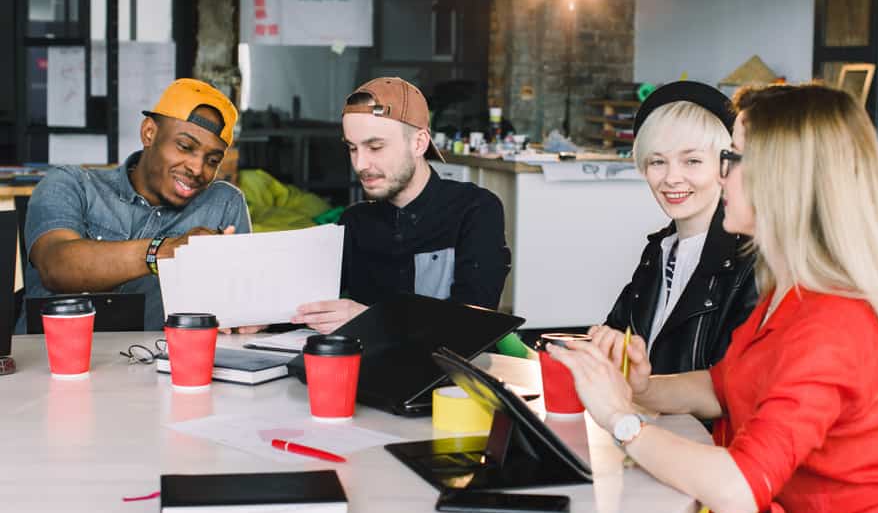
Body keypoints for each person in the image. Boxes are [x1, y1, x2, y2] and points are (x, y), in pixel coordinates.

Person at [551, 84, 878, 513]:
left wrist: (623, 418)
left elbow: (740, 488)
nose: (722, 175)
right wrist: (643, 387)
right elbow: (722, 385)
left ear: (780, 180)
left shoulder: (830, 321)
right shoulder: (787, 294)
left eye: (732, 159)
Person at [18, 78, 252, 332]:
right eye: (185, 147)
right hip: (52, 364)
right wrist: (164, 251)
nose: (197, 169)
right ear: (149, 133)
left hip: (159, 365)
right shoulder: (71, 184)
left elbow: (239, 302)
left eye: (212, 160)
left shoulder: (224, 204)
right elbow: (56, 266)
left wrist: (250, 316)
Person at [293, 77, 510, 333]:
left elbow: (473, 326)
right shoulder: (355, 222)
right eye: (353, 148)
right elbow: (310, 302)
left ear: (419, 143)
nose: (360, 164)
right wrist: (264, 317)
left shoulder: (475, 210)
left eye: (375, 147)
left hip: (449, 371)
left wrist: (371, 319)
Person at [604, 81, 756, 375]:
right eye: (658, 161)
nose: (672, 178)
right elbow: (617, 337)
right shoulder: (658, 250)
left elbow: (730, 390)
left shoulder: (750, 263)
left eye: (692, 161)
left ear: (726, 164)